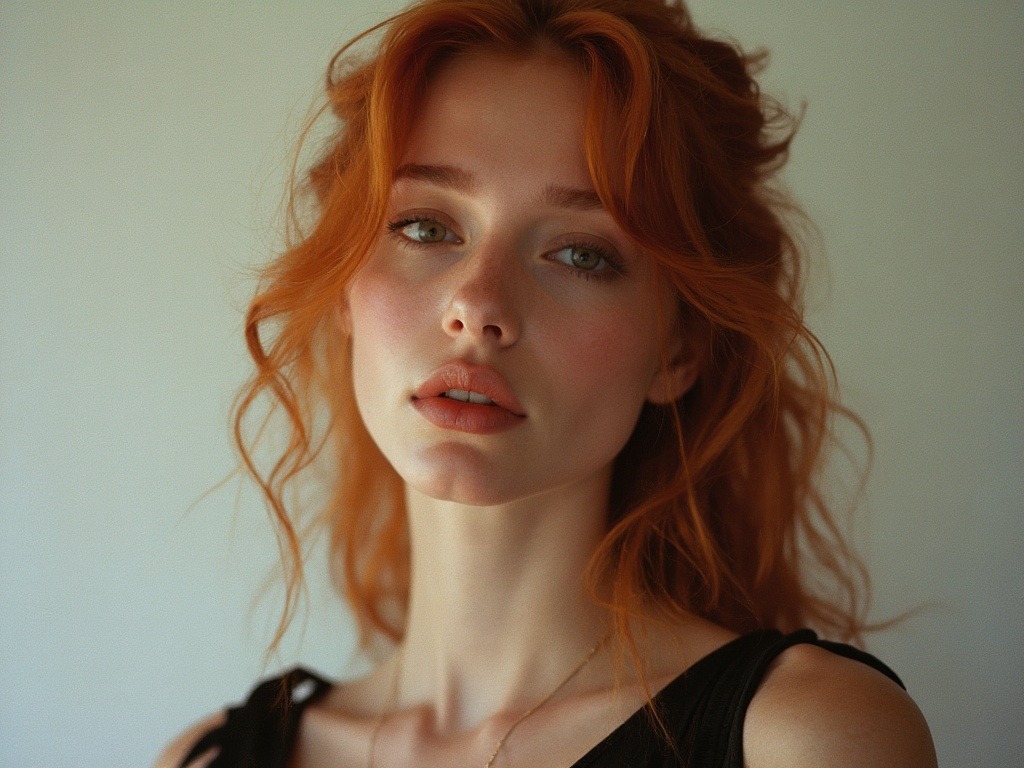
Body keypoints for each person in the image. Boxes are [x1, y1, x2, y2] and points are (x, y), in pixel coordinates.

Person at [157, 0, 937, 765]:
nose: (479, 306)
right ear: (343, 289)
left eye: (580, 254)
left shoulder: (804, 739)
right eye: (427, 228)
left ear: (679, 349)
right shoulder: (209, 759)